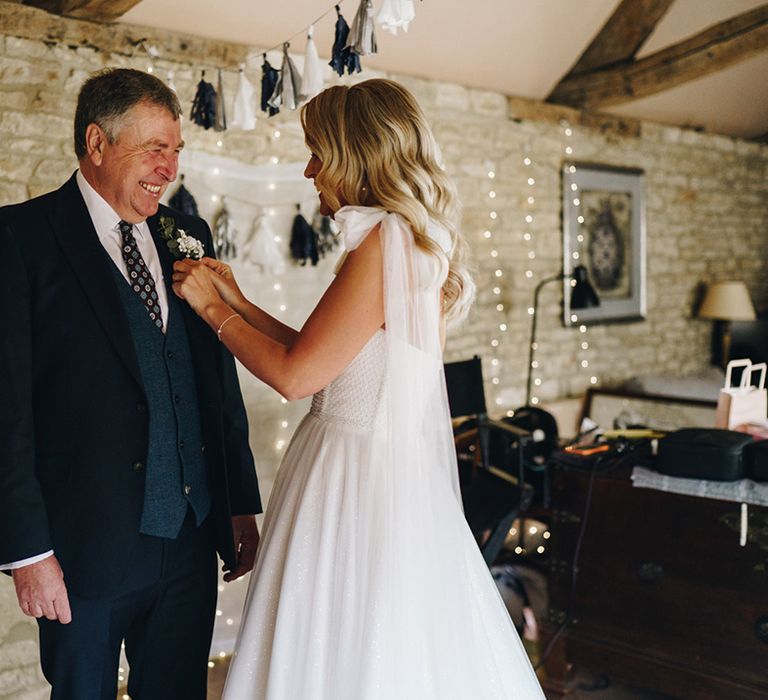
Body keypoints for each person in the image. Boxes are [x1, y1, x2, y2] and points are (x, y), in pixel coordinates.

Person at [173, 79, 544, 699]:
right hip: (372, 467)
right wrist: (237, 300)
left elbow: (295, 376)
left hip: (350, 478)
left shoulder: (382, 245)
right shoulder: (402, 240)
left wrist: (213, 313)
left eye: (318, 152)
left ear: (354, 154)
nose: (310, 169)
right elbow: (327, 351)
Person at [0, 68, 262, 700]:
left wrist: (237, 500)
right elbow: (4, 412)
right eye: (154, 149)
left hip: (192, 538)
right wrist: (28, 553)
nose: (168, 168)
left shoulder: (187, 237)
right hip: (81, 548)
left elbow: (215, 384)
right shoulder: (17, 239)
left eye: (175, 151)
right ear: (97, 143)